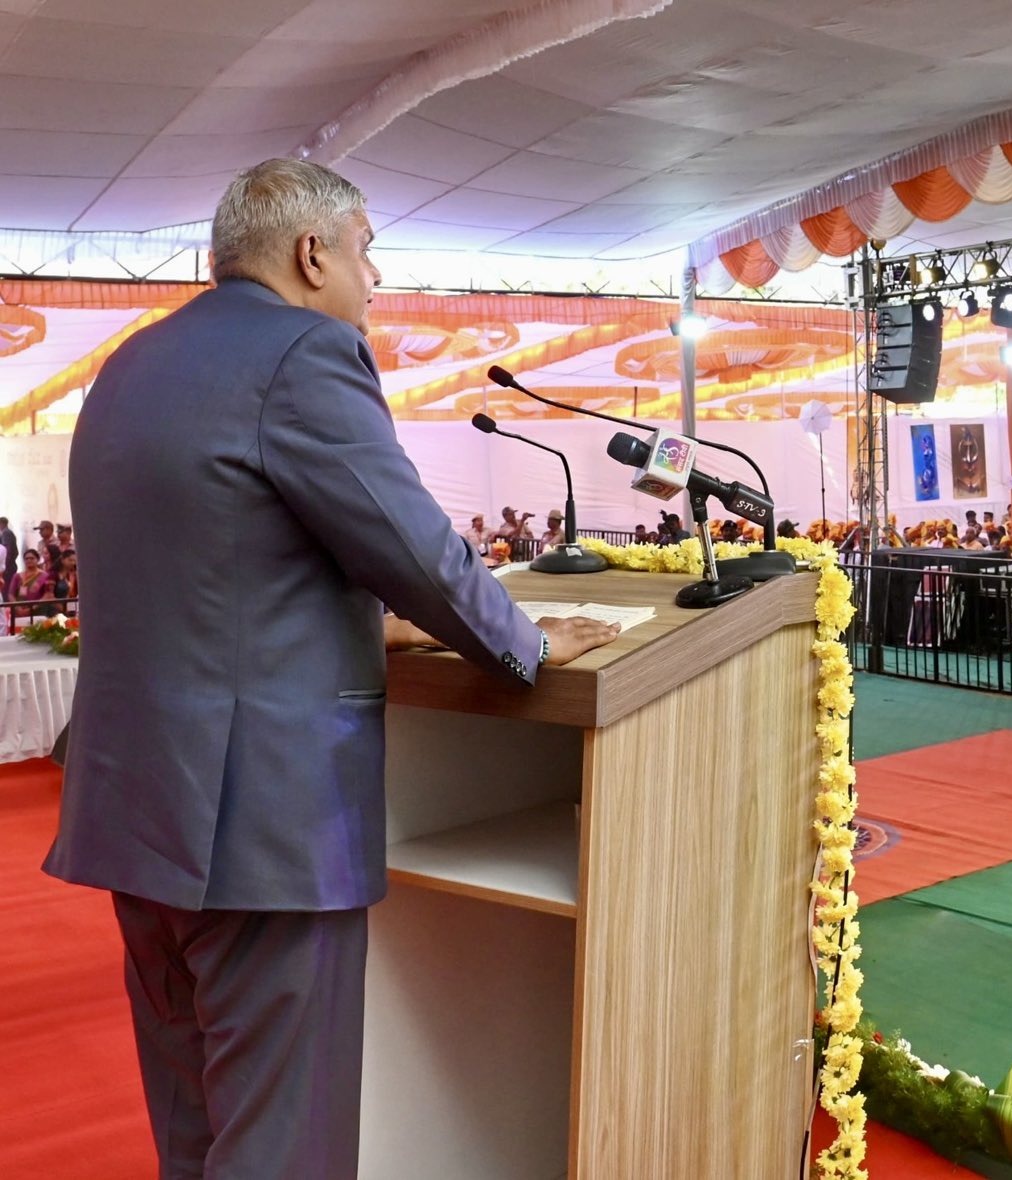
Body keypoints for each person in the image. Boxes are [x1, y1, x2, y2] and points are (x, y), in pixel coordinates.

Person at [40, 159, 622, 1180]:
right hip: (261, 821)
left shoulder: (130, 366)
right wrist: (523, 644)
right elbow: (413, 544)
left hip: (134, 809)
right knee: (282, 1145)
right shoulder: (307, 351)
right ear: (312, 254)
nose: (374, 280)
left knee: (196, 1127)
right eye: (366, 253)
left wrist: (387, 636)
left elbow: (212, 578)